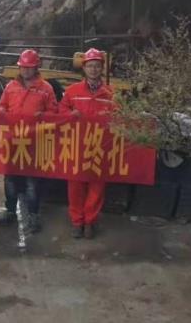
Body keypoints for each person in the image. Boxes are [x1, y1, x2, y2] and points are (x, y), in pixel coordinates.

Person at [0, 49, 58, 233]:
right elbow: (2, 105)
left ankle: (33, 214)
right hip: (13, 140)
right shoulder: (11, 87)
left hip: (34, 142)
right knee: (10, 178)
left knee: (32, 181)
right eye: (23, 67)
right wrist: (1, 111)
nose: (26, 70)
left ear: (36, 67)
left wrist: (44, 115)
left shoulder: (46, 88)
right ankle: (10, 210)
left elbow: (54, 112)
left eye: (29, 67)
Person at [59, 48, 116, 239]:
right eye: (90, 66)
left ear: (102, 68)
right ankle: (77, 222)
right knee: (75, 186)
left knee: (97, 186)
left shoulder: (110, 93)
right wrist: (70, 114)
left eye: (97, 66)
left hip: (100, 146)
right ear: (84, 68)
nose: (93, 69)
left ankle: (90, 222)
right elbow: (60, 112)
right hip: (76, 146)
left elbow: (119, 117)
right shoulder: (72, 91)